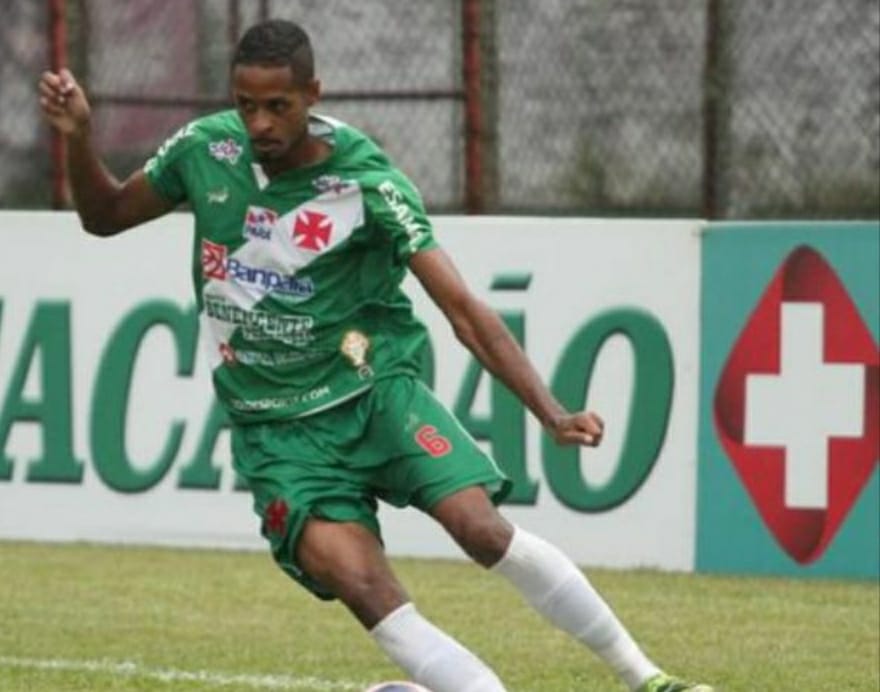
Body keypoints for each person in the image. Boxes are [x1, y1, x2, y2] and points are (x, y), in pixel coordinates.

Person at [39, 19, 712, 692]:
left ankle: (645, 678)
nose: (261, 123)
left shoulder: (365, 180)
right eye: (247, 105)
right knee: (366, 585)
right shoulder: (204, 149)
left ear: (313, 94)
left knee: (482, 530)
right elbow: (105, 216)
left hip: (375, 392)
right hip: (278, 434)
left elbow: (464, 311)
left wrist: (550, 411)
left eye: (280, 106)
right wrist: (80, 139)